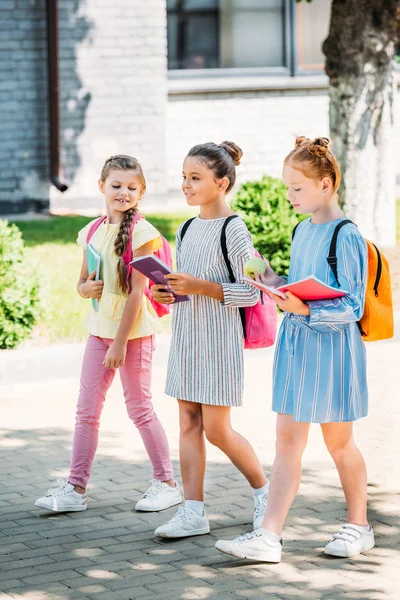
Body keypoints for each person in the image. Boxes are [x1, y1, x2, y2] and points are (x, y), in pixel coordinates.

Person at [215, 136, 374, 562]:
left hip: (333, 353)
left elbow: (353, 305)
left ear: (325, 185)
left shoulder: (347, 236)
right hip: (298, 347)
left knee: (339, 444)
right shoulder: (302, 229)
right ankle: (270, 535)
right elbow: (299, 282)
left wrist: (302, 306)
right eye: (287, 188)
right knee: (287, 443)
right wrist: (269, 278)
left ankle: (359, 525)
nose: (290, 197)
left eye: (297, 188)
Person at [35, 155, 181, 513]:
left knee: (139, 408)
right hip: (98, 331)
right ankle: (76, 488)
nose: (123, 193)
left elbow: (136, 293)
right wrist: (85, 290)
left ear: (141, 192)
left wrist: (118, 344)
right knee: (86, 411)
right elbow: (82, 282)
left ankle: (166, 483)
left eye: (132, 187)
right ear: (101, 187)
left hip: (133, 334)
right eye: (116, 186)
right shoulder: (90, 231)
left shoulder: (143, 234)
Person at [150, 142, 270, 539]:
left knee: (217, 430)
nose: (186, 185)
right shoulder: (185, 228)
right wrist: (169, 292)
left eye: (195, 178)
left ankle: (265, 492)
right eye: (184, 177)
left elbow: (252, 291)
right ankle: (193, 511)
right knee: (187, 421)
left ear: (222, 183)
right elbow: (188, 285)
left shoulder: (235, 229)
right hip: (187, 337)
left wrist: (200, 286)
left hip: (219, 342)